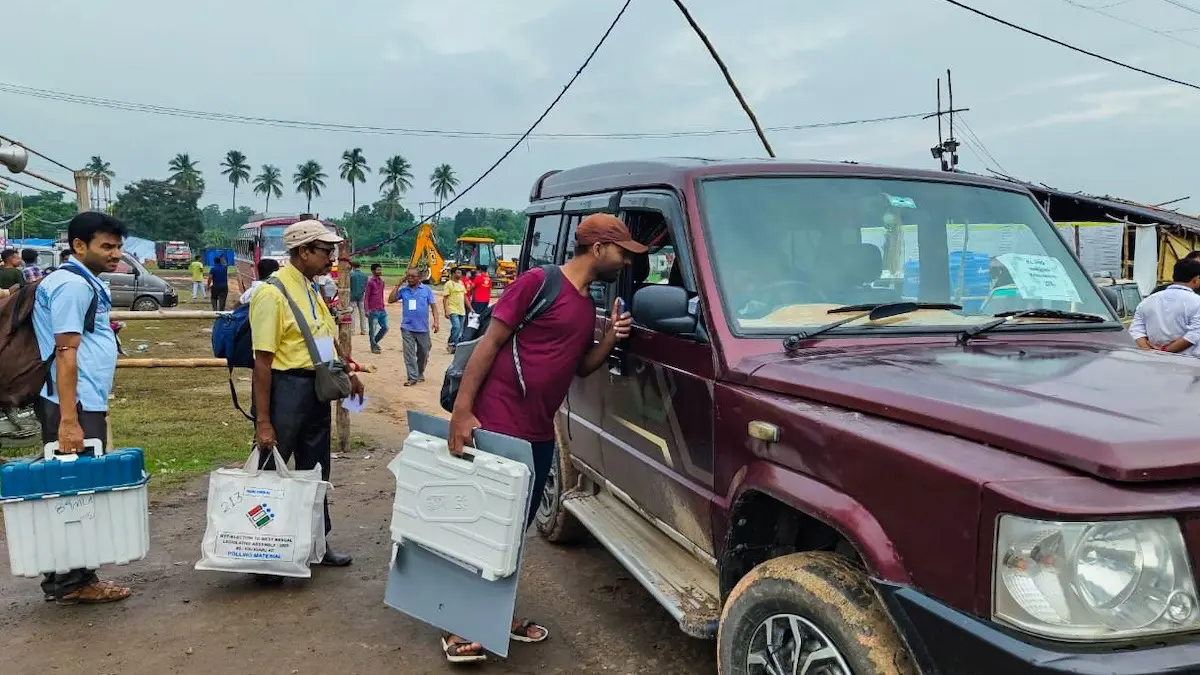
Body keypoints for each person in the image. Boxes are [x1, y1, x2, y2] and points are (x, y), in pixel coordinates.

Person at [442, 213, 643, 662]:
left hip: (539, 434)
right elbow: (490, 344)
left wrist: (610, 336)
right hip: (497, 424)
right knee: (484, 525)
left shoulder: (587, 305)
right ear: (597, 249)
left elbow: (580, 367)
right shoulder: (538, 282)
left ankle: (496, 612)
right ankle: (457, 623)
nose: (626, 261)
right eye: (622, 251)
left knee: (513, 532)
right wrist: (462, 413)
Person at [250, 220, 363, 569]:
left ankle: (317, 542)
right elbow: (263, 362)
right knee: (274, 472)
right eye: (326, 251)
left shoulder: (312, 288)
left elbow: (321, 340)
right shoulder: (272, 294)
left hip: (315, 389)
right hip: (285, 390)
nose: (332, 257)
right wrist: (264, 421)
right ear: (303, 252)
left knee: (316, 469)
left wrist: (348, 372)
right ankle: (267, 551)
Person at [32, 212, 132, 604]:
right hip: (72, 403)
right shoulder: (73, 286)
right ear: (78, 246)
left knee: (73, 489)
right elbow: (65, 352)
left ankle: (70, 577)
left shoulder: (80, 283)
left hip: (77, 400)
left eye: (118, 246)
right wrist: (70, 420)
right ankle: (73, 581)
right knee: (75, 493)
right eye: (106, 246)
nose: (117, 254)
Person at [1130, 257, 1200, 356]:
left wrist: (1150, 352)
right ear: (1196, 280)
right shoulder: (1197, 302)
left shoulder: (1148, 301)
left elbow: (1136, 331)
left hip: (1152, 361)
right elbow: (1194, 335)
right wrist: (1164, 351)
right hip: (1188, 364)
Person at [389, 268, 439, 385]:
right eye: (408, 276)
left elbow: (434, 307)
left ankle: (419, 373)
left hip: (423, 328)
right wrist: (398, 284)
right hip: (407, 327)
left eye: (413, 276)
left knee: (424, 352)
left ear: (419, 277)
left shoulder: (426, 290)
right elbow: (390, 300)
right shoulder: (404, 290)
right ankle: (412, 377)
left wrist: (436, 321)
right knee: (409, 353)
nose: (410, 279)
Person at [443, 268, 468, 353]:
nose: (460, 274)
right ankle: (451, 343)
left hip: (462, 310)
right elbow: (445, 299)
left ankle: (456, 346)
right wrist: (446, 311)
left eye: (460, 273)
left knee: (460, 330)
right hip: (452, 309)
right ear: (453, 274)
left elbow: (465, 297)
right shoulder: (448, 284)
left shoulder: (461, 283)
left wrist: (470, 308)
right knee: (456, 327)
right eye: (458, 272)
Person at [365, 263, 388, 354]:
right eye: (378, 270)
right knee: (372, 330)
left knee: (385, 328)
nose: (380, 271)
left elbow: (381, 295)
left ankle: (374, 343)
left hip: (381, 309)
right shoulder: (370, 282)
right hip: (373, 310)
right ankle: (373, 347)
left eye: (381, 269)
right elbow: (366, 296)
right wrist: (366, 310)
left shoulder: (382, 282)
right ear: (373, 271)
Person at [348, 261, 368, 336]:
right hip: (362, 295)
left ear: (353, 267)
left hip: (352, 295)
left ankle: (352, 331)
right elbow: (366, 286)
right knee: (362, 313)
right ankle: (364, 330)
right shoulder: (365, 276)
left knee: (353, 313)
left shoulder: (351, 275)